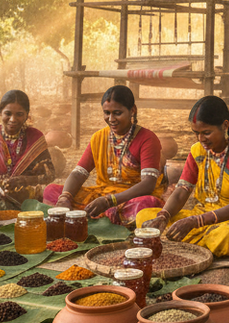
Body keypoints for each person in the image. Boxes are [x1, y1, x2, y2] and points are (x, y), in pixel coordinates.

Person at [136, 96, 229, 256]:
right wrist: (163, 216)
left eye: (206, 133)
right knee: (144, 216)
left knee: (223, 237)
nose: (200, 139)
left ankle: (188, 242)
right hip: (203, 216)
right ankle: (197, 243)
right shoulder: (197, 150)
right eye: (196, 133)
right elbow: (181, 191)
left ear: (225, 125)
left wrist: (195, 222)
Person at [43, 86, 163, 225]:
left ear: (132, 110)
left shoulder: (147, 138)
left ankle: (88, 218)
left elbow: (148, 184)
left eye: (117, 113)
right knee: (51, 191)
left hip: (130, 198)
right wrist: (65, 197)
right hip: (101, 195)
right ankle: (99, 217)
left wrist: (110, 201)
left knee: (147, 204)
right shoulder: (98, 137)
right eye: (106, 113)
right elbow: (79, 173)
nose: (111, 119)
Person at [0, 90, 54, 206]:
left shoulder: (35, 137)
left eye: (19, 114)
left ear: (27, 114)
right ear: (0, 112)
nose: (13, 119)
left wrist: (23, 180)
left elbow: (49, 174)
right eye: (8, 114)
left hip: (23, 192)